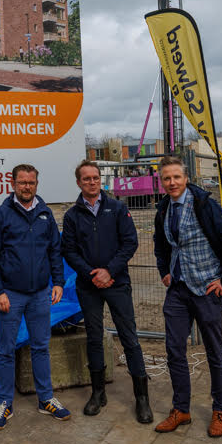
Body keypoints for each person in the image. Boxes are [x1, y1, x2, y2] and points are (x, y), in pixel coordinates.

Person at [152, 155, 222, 437]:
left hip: (207, 289)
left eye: (176, 177)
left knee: (214, 352)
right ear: (162, 182)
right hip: (178, 289)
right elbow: (160, 244)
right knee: (174, 349)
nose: (172, 182)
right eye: (167, 178)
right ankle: (181, 409)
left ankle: (220, 410)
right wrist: (164, 270)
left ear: (186, 178)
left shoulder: (204, 205)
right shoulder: (163, 208)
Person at [0, 163, 72, 430]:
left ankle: (46, 399)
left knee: (41, 347)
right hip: (11, 295)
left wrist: (58, 282)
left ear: (36, 184)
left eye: (31, 183)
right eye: (22, 183)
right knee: (6, 351)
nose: (26, 187)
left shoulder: (45, 213)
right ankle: (5, 403)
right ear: (13, 184)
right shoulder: (1, 215)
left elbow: (54, 250)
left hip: (40, 294)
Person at [62, 160, 153, 423]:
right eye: (86, 178)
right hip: (88, 286)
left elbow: (130, 243)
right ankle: (98, 393)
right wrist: (92, 273)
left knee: (129, 338)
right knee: (94, 338)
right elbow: (69, 251)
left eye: (95, 177)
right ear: (78, 182)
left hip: (117, 283)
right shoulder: (72, 216)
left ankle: (142, 399)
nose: (92, 182)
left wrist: (109, 271)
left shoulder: (117, 208)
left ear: (100, 179)